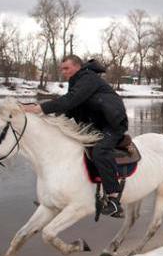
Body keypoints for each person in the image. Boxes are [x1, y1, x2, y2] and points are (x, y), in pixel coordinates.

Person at [22, 55, 128, 217]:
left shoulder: (88, 78)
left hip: (112, 124)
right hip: (95, 124)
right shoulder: (77, 81)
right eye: (62, 69)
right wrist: (49, 119)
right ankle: (61, 193)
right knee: (65, 143)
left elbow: (71, 100)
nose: (63, 72)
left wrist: (40, 108)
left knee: (100, 151)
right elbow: (71, 107)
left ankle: (114, 200)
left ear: (77, 66)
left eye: (66, 68)